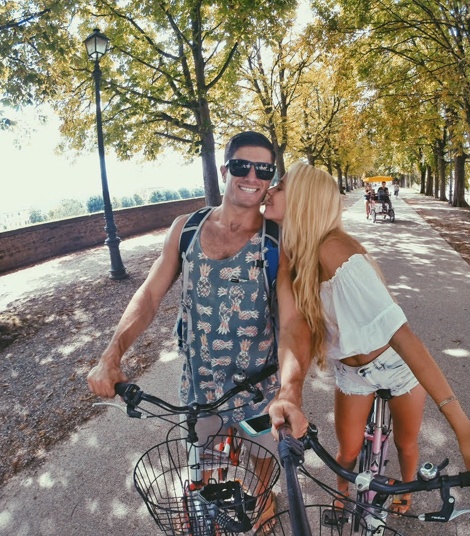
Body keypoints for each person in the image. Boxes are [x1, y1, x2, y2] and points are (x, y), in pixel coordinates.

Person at [264, 162, 470, 514]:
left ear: (304, 200)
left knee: (406, 444)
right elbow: (292, 326)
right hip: (351, 373)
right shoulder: (289, 259)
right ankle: (341, 498)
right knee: (347, 452)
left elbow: (403, 336)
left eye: (280, 186)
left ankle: (405, 494)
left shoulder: (333, 250)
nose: (270, 190)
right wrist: (289, 390)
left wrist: (466, 433)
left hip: (396, 366)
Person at [87, 131, 281, 529]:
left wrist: (293, 387)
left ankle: (263, 503)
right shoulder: (187, 229)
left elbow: (295, 317)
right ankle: (206, 513)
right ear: (225, 169)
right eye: (243, 165)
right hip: (200, 388)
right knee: (201, 477)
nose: (252, 176)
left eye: (264, 169)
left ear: (270, 177)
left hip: (261, 387)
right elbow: (149, 296)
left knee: (264, 466)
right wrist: (111, 356)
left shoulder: (278, 238)